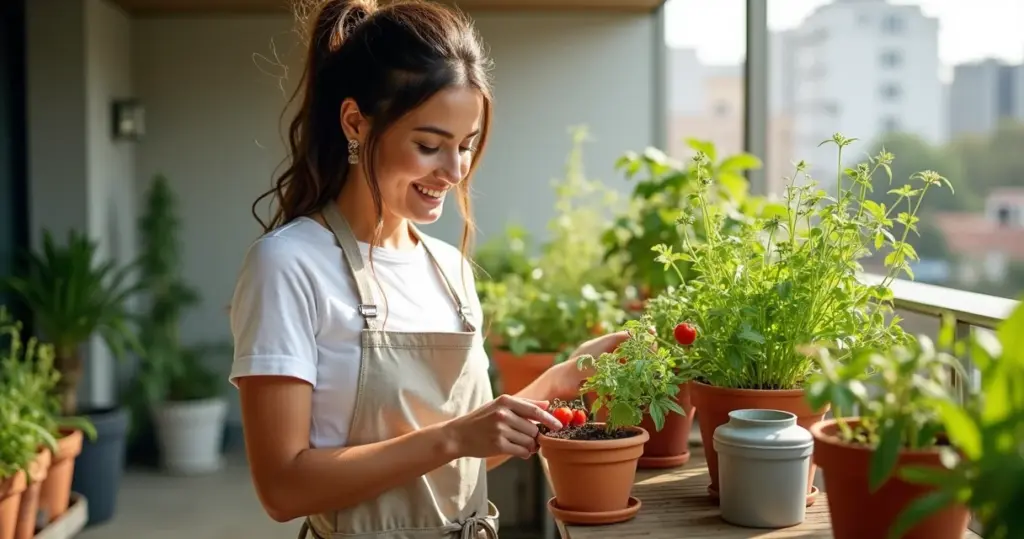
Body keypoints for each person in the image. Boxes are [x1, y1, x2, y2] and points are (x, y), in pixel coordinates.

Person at [228, 0, 632, 537]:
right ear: (355, 123)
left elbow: (469, 455)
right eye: (429, 145)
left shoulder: (450, 269)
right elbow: (282, 488)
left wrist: (560, 379)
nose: (455, 170)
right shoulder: (288, 265)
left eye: (465, 146)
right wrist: (454, 438)